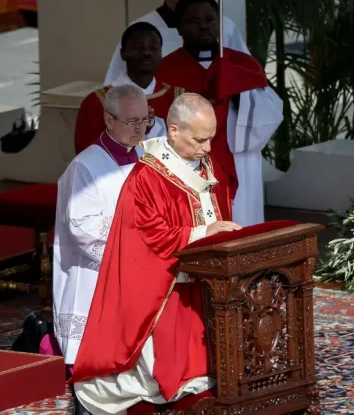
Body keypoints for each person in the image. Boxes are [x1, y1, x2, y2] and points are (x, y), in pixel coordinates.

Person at [72, 93, 242, 415]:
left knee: (205, 361)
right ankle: (95, 399)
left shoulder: (210, 165)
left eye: (211, 139)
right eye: (200, 139)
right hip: (166, 287)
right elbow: (146, 236)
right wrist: (202, 233)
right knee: (161, 371)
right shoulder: (147, 177)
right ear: (174, 132)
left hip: (206, 284)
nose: (207, 148)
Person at [54, 85, 166, 374]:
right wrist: (135, 234)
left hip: (137, 271)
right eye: (132, 122)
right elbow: (81, 226)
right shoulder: (86, 167)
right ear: (108, 120)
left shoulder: (147, 158)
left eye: (146, 120)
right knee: (95, 365)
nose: (141, 129)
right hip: (96, 276)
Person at [156, 0, 283, 228]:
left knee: (241, 221)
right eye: (193, 21)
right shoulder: (166, 69)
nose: (203, 26)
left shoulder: (242, 64)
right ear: (179, 27)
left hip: (238, 157)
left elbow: (270, 112)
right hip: (187, 162)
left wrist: (236, 90)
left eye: (209, 19)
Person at [103, 0, 250, 85]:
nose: (187, 1)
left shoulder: (224, 27)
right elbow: (116, 83)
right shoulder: (140, 30)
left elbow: (245, 72)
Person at [75, 22, 181, 154]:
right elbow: (88, 154)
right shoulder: (98, 102)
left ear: (160, 53)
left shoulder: (177, 99)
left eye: (153, 48)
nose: (147, 53)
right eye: (138, 48)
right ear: (123, 53)